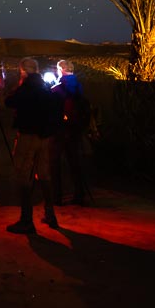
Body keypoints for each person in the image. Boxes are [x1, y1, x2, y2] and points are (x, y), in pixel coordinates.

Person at [3, 56, 63, 233]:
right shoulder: (45, 87)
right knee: (44, 174)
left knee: (23, 173)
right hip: (45, 138)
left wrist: (10, 90)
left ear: (23, 71)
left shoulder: (26, 88)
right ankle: (50, 215)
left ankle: (26, 220)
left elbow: (9, 102)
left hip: (28, 136)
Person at [51, 59, 90, 206]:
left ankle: (57, 197)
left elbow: (52, 108)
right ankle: (79, 194)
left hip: (61, 129)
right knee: (75, 162)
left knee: (54, 163)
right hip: (75, 129)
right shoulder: (79, 86)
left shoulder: (58, 88)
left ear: (61, 69)